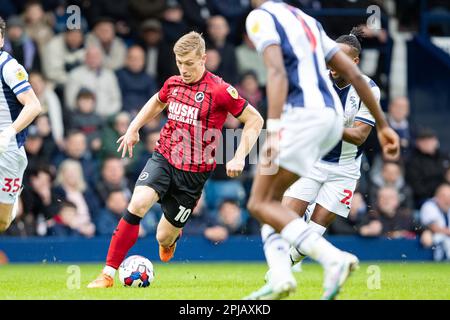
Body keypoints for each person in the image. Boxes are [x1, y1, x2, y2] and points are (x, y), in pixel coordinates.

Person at [243, 0, 400, 300]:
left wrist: (274, 130)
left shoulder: (260, 18)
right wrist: (384, 126)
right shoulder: (307, 20)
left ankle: (328, 261)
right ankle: (283, 275)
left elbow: (275, 73)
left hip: (306, 121)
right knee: (268, 204)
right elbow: (353, 76)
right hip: (324, 124)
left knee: (261, 202)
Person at [87, 31, 264, 288]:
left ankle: (170, 239)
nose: (184, 69)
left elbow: (255, 119)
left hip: (193, 176)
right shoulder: (173, 83)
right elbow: (157, 102)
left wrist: (239, 156)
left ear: (203, 58)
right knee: (137, 204)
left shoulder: (220, 90)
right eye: (179, 63)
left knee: (163, 236)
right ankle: (107, 274)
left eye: (189, 63)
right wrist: (133, 128)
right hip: (165, 157)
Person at [280, 27, 379, 268]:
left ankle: (282, 270)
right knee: (283, 223)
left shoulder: (369, 89)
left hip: (344, 170)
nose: (332, 62)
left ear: (355, 61)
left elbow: (359, 136)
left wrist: (326, 125)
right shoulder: (316, 80)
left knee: (312, 235)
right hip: (311, 161)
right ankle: (282, 270)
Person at [0, 16, 42, 233]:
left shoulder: (8, 66)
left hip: (7, 150)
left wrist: (9, 132)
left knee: (2, 222)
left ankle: (13, 199)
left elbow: (34, 106)